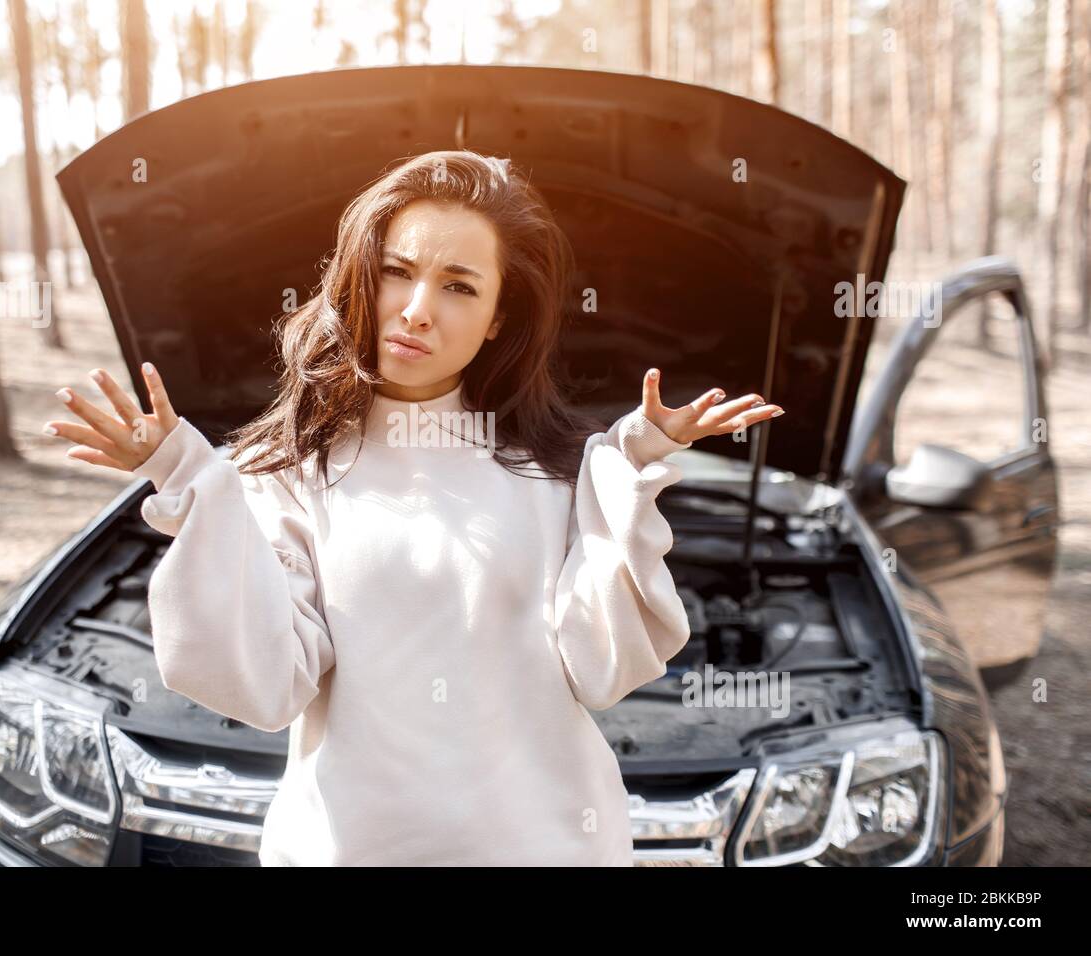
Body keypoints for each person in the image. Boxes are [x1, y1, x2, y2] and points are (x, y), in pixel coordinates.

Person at [42, 150, 784, 866]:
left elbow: (603, 669)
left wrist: (633, 459)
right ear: (361, 279)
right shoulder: (283, 475)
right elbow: (265, 687)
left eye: (460, 286)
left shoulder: (561, 473)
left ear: (500, 317)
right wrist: (184, 473)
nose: (417, 311)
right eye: (397, 272)